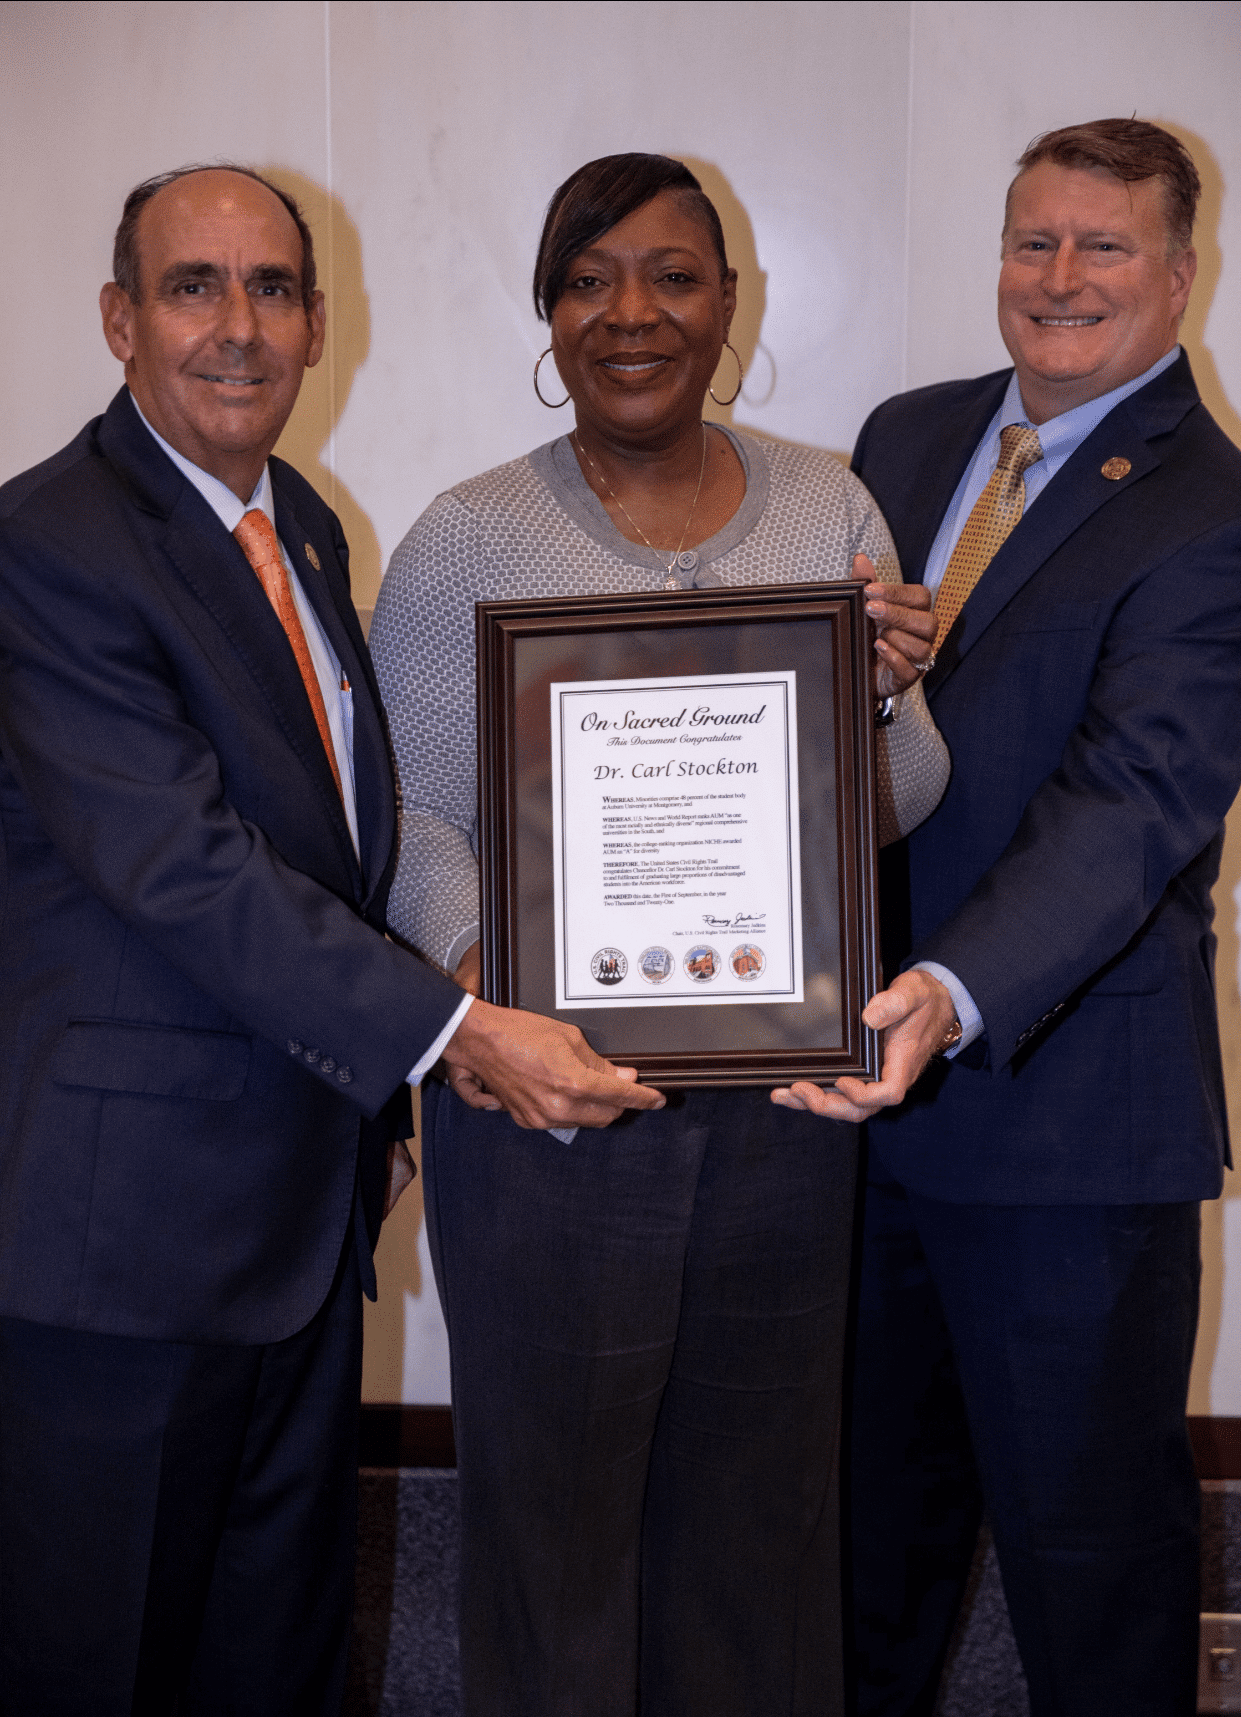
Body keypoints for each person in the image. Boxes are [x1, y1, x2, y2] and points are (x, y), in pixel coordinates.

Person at [0, 163, 663, 1717]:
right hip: (123, 1250)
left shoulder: (297, 524)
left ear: (317, 324)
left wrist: (440, 1013)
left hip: (294, 1222)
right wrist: (453, 1034)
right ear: (118, 320)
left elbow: (336, 841)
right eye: (194, 287)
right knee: (98, 1661)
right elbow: (183, 867)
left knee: (274, 1651)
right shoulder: (49, 547)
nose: (240, 328)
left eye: (274, 289)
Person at [369, 152, 949, 1716]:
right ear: (548, 315)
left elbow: (885, 806)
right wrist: (493, 986)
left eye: (675, 276)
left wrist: (883, 692)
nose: (632, 313)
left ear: (730, 306)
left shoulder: (833, 507)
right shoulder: (466, 540)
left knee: (764, 1520)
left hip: (778, 1119)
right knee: (551, 1535)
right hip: (544, 1116)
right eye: (590, 278)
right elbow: (408, 819)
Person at [782, 119, 1241, 1716]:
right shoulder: (901, 441)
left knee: (1088, 1560)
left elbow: (1136, 805)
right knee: (860, 1538)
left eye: (1103, 247)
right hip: (851, 1106)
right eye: (1033, 241)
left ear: (1180, 276)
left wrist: (950, 990)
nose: (1059, 279)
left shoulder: (1210, 510)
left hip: (1062, 1126)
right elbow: (826, 734)